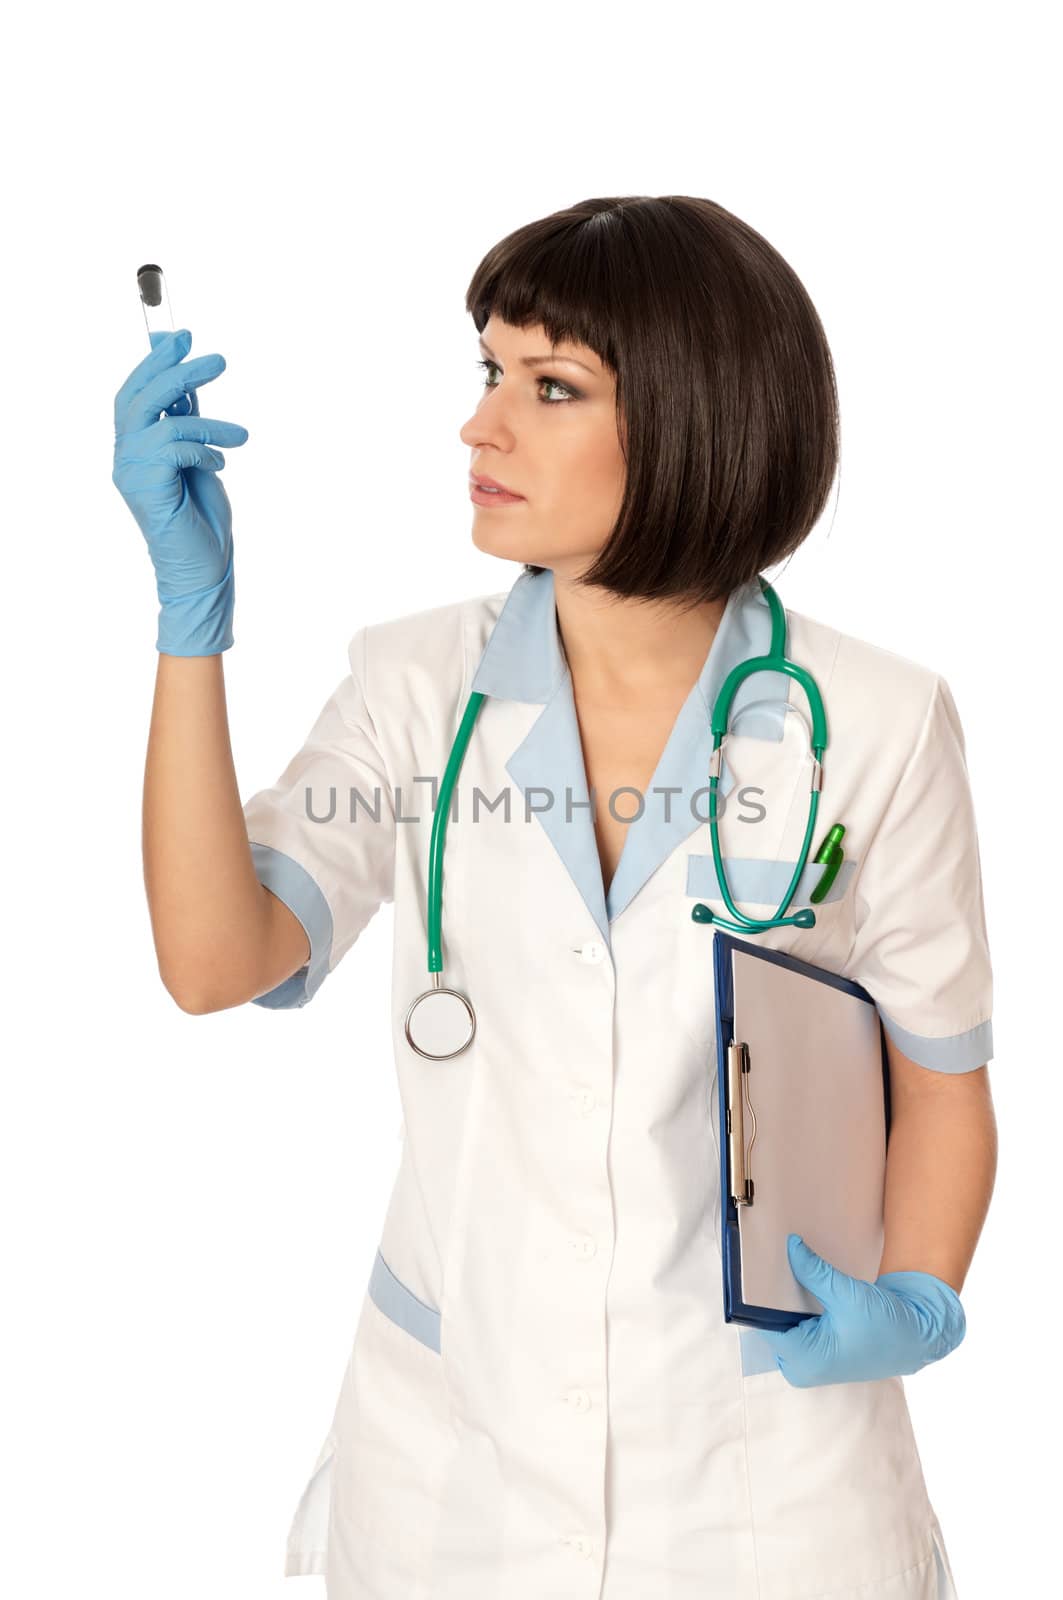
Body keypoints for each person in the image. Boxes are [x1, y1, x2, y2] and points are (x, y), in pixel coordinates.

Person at [112, 194, 997, 1599]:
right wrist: (187, 634)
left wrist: (920, 1298)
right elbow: (217, 961)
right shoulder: (417, 691)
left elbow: (942, 1080)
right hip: (458, 1475)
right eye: (487, 371)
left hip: (768, 1483)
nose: (482, 427)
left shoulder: (874, 724)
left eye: (552, 386)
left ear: (699, 419)